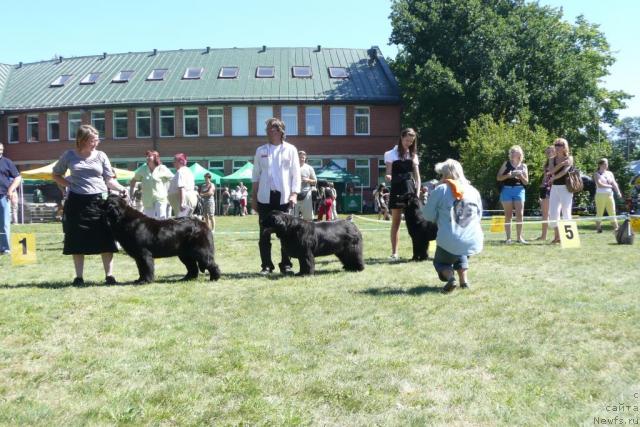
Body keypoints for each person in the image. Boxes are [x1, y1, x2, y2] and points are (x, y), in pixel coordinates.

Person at [52, 125, 127, 285]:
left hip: (99, 201)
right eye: (93, 140)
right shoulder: (69, 155)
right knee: (76, 239)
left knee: (106, 238)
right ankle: (79, 277)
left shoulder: (101, 156)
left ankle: (110, 276)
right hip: (76, 203)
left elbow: (109, 179)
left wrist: (121, 188)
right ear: (82, 140)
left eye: (97, 139)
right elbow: (56, 174)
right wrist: (68, 184)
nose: (96, 143)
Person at [424, 159, 484, 294]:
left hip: (450, 238)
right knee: (460, 252)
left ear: (445, 175)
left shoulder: (441, 189)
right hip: (472, 239)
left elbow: (427, 215)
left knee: (441, 262)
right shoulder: (473, 190)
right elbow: (479, 215)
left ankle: (451, 278)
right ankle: (464, 281)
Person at [251, 117, 301, 275]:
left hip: (284, 197)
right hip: (265, 198)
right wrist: (253, 198)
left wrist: (294, 194)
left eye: (274, 127)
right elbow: (256, 176)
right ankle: (266, 265)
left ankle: (286, 264)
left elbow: (296, 174)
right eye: (268, 128)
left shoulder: (291, 150)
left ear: (281, 131)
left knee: (286, 233)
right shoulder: (261, 151)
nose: (270, 130)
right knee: (264, 233)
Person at [384, 128, 421, 260]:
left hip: (411, 191)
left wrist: (416, 193)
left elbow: (417, 178)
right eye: (407, 140)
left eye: (411, 141)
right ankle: (394, 253)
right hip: (397, 190)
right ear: (401, 138)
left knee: (416, 222)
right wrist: (388, 176)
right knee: (396, 222)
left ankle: (418, 253)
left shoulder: (413, 155)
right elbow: (388, 172)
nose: (409, 143)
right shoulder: (390, 154)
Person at [496, 145, 529, 244]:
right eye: (512, 151)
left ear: (520, 154)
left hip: (519, 190)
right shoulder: (506, 163)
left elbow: (526, 182)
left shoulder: (524, 166)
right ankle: (508, 238)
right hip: (507, 190)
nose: (514, 153)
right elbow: (498, 178)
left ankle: (519, 237)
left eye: (516, 151)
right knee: (508, 215)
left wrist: (520, 175)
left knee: (520, 214)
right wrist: (508, 175)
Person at [129, 150, 173, 218]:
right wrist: (131, 195)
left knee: (161, 218)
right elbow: (133, 181)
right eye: (146, 156)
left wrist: (170, 191)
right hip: (147, 199)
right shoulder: (142, 169)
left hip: (160, 198)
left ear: (155, 157)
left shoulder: (162, 168)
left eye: (149, 156)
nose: (147, 158)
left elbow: (173, 179)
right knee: (149, 221)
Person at [548, 138, 574, 244]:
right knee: (553, 213)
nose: (558, 147)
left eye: (561, 145)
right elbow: (551, 170)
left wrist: (554, 177)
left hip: (566, 188)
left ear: (565, 147)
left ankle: (568, 239)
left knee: (566, 212)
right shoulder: (551, 159)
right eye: (556, 145)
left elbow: (564, 172)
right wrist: (562, 163)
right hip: (555, 188)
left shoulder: (570, 158)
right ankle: (557, 237)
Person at [0, 142, 22, 254]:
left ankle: (5, 248)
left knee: (4, 224)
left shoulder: (7, 162)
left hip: (3, 196)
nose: (0, 151)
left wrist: (11, 190)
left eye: (1, 149)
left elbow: (18, 178)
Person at [594, 158, 623, 233]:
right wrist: (610, 186)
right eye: (605, 164)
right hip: (600, 195)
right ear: (600, 164)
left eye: (607, 164)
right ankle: (598, 228)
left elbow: (614, 183)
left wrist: (618, 192)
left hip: (610, 195)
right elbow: (600, 184)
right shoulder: (596, 173)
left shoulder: (610, 173)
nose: (606, 165)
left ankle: (616, 228)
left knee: (612, 211)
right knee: (600, 212)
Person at [535, 145, 556, 241]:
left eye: (550, 152)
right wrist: (542, 190)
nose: (548, 154)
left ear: (554, 151)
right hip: (546, 190)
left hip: (555, 188)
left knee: (554, 214)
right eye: (546, 152)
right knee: (545, 213)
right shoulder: (546, 164)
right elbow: (544, 178)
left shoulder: (557, 162)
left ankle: (557, 236)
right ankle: (543, 236)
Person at [167, 153, 198, 217]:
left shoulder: (180, 172)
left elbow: (182, 188)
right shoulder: (188, 170)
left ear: (180, 162)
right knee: (185, 221)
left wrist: (182, 203)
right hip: (189, 198)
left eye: (175, 161)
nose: (173, 163)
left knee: (181, 222)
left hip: (184, 200)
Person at [294, 150, 317, 220]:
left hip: (306, 194)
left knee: (308, 218)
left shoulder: (309, 168)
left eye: (303, 158)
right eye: (300, 157)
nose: (301, 159)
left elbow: (315, 181)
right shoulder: (292, 167)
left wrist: (308, 180)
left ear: (305, 158)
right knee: (293, 218)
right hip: (294, 194)